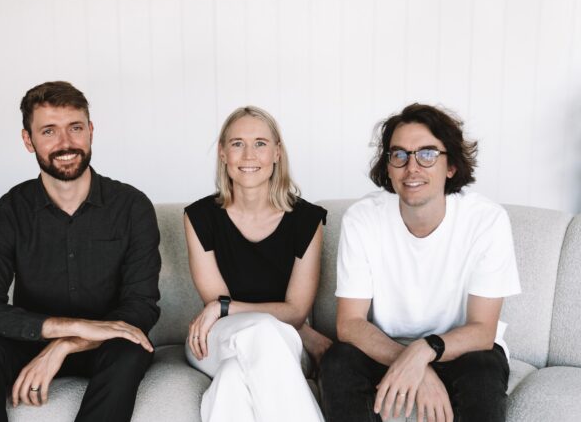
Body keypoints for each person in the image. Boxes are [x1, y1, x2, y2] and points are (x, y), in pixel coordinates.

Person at [0, 81, 161, 422]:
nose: (65, 143)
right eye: (49, 131)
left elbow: (141, 307)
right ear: (28, 140)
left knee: (130, 350)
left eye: (75, 128)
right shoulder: (9, 212)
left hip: (105, 345)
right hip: (30, 341)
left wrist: (66, 343)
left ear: (90, 131)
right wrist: (67, 328)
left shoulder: (131, 207)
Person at [319, 103, 521, 422]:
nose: (412, 167)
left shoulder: (487, 221)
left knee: (483, 367)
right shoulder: (362, 219)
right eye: (399, 155)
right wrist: (413, 364)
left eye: (427, 154)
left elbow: (483, 331)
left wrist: (425, 351)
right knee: (338, 361)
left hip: (460, 350)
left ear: (450, 166)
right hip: (385, 346)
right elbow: (350, 324)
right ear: (388, 167)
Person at [184, 106, 330, 422]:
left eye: (260, 143)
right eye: (237, 143)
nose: (249, 155)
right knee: (261, 332)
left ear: (277, 153)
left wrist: (224, 307)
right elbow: (217, 305)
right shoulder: (199, 217)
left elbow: (296, 312)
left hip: (283, 339)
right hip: (214, 338)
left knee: (233, 379)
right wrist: (221, 308)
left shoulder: (306, 220)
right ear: (223, 153)